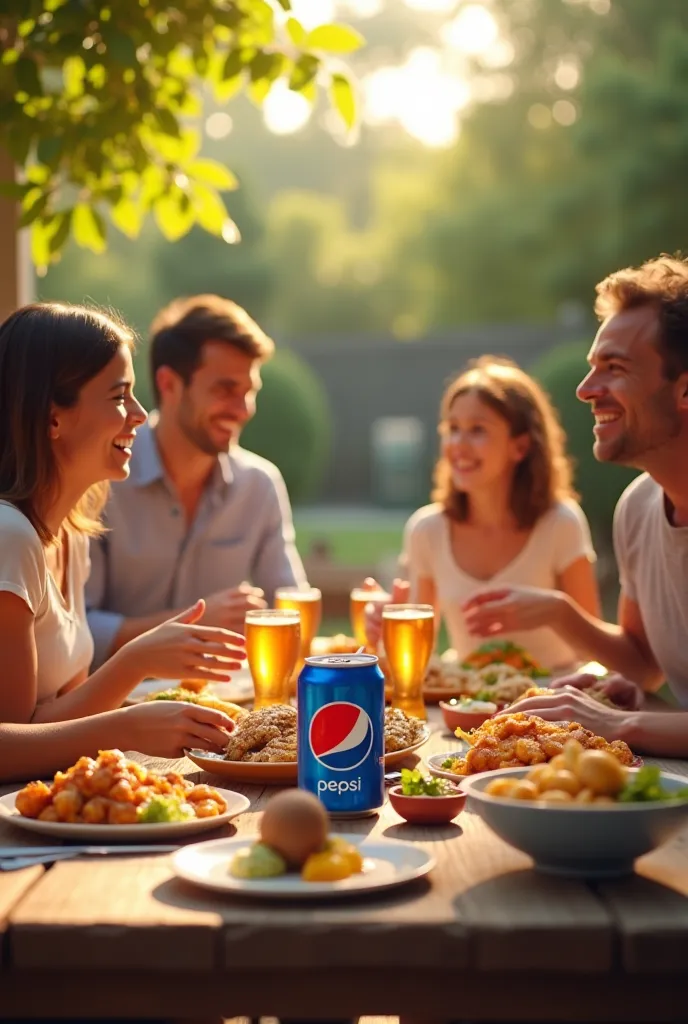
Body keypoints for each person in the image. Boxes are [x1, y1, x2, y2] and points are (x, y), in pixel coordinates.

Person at [0, 302, 245, 777]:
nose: (138, 415)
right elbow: (9, 742)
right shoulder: (10, 538)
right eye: (119, 397)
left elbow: (57, 717)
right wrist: (132, 676)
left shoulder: (70, 532)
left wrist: (141, 664)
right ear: (53, 418)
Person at [463, 257, 688, 756]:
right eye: (591, 369)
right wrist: (563, 618)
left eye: (615, 368)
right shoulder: (638, 508)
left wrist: (622, 723)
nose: (585, 390)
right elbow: (645, 664)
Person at [85, 294, 307, 668]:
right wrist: (196, 621)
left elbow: (290, 608)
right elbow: (78, 630)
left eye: (249, 392)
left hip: (224, 707)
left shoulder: (261, 485)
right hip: (114, 711)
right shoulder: (101, 480)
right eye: (225, 390)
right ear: (169, 385)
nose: (242, 410)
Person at [366, 356, 601, 674]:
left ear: (519, 447)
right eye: (452, 429)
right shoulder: (427, 530)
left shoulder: (561, 523)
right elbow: (418, 656)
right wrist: (384, 630)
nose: (458, 446)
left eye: (477, 430)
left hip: (554, 707)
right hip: (469, 708)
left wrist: (553, 612)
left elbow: (596, 649)